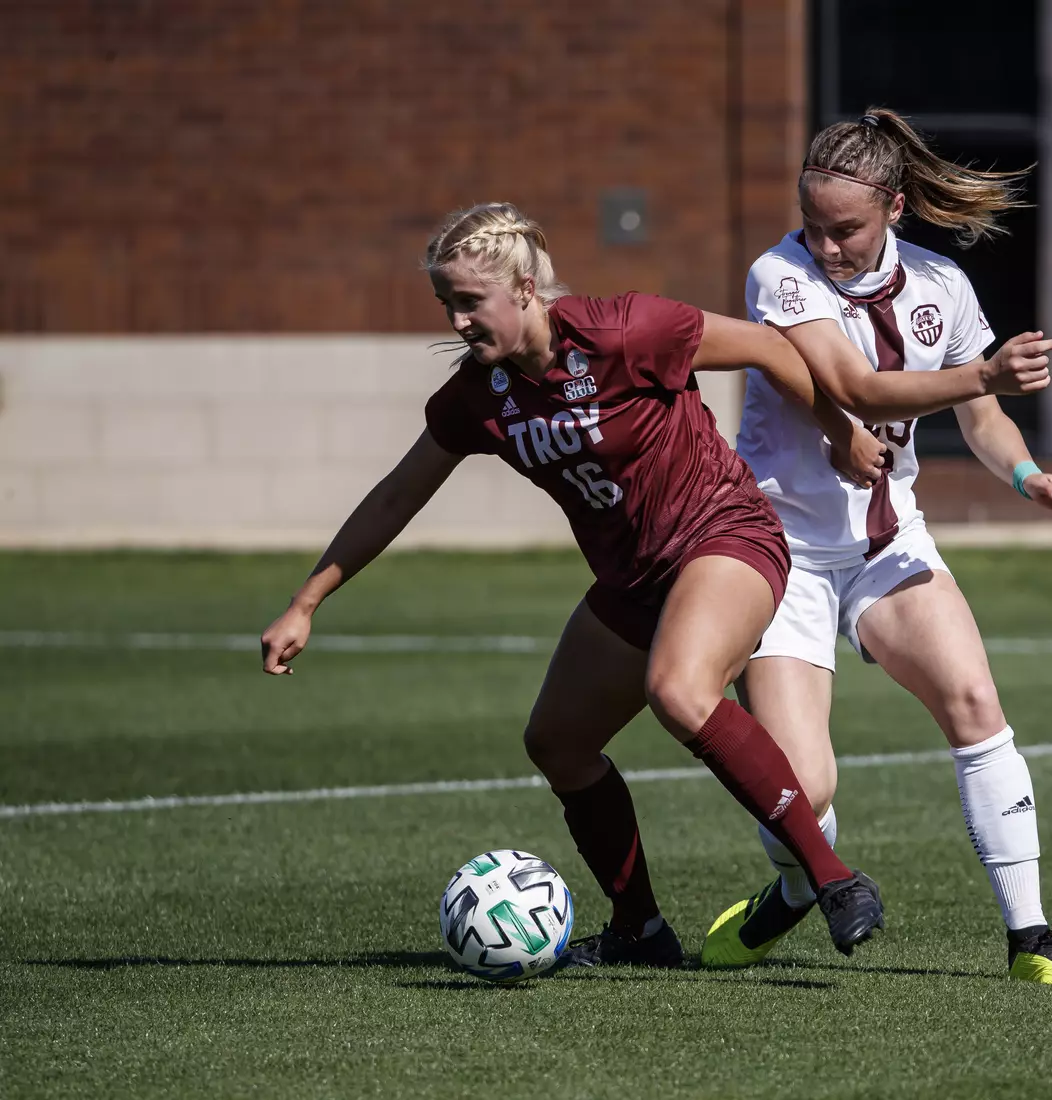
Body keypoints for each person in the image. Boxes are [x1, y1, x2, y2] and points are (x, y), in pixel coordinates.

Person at [259, 202, 889, 968]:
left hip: (724, 536)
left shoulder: (624, 330)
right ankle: (640, 931)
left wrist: (839, 430)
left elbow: (765, 343)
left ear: (524, 290)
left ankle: (833, 880)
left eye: (468, 301)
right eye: (445, 304)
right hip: (632, 578)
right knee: (556, 742)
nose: (456, 321)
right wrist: (307, 599)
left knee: (681, 692)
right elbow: (397, 494)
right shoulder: (479, 397)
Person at [700, 110, 1052, 984]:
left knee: (973, 699)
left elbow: (979, 417)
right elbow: (855, 385)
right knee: (802, 789)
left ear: (894, 206)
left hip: (885, 543)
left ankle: (1031, 936)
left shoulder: (941, 284)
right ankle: (797, 885)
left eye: (844, 228)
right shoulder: (781, 275)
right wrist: (985, 371)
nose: (827, 245)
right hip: (781, 555)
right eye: (814, 225)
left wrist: (1028, 473)